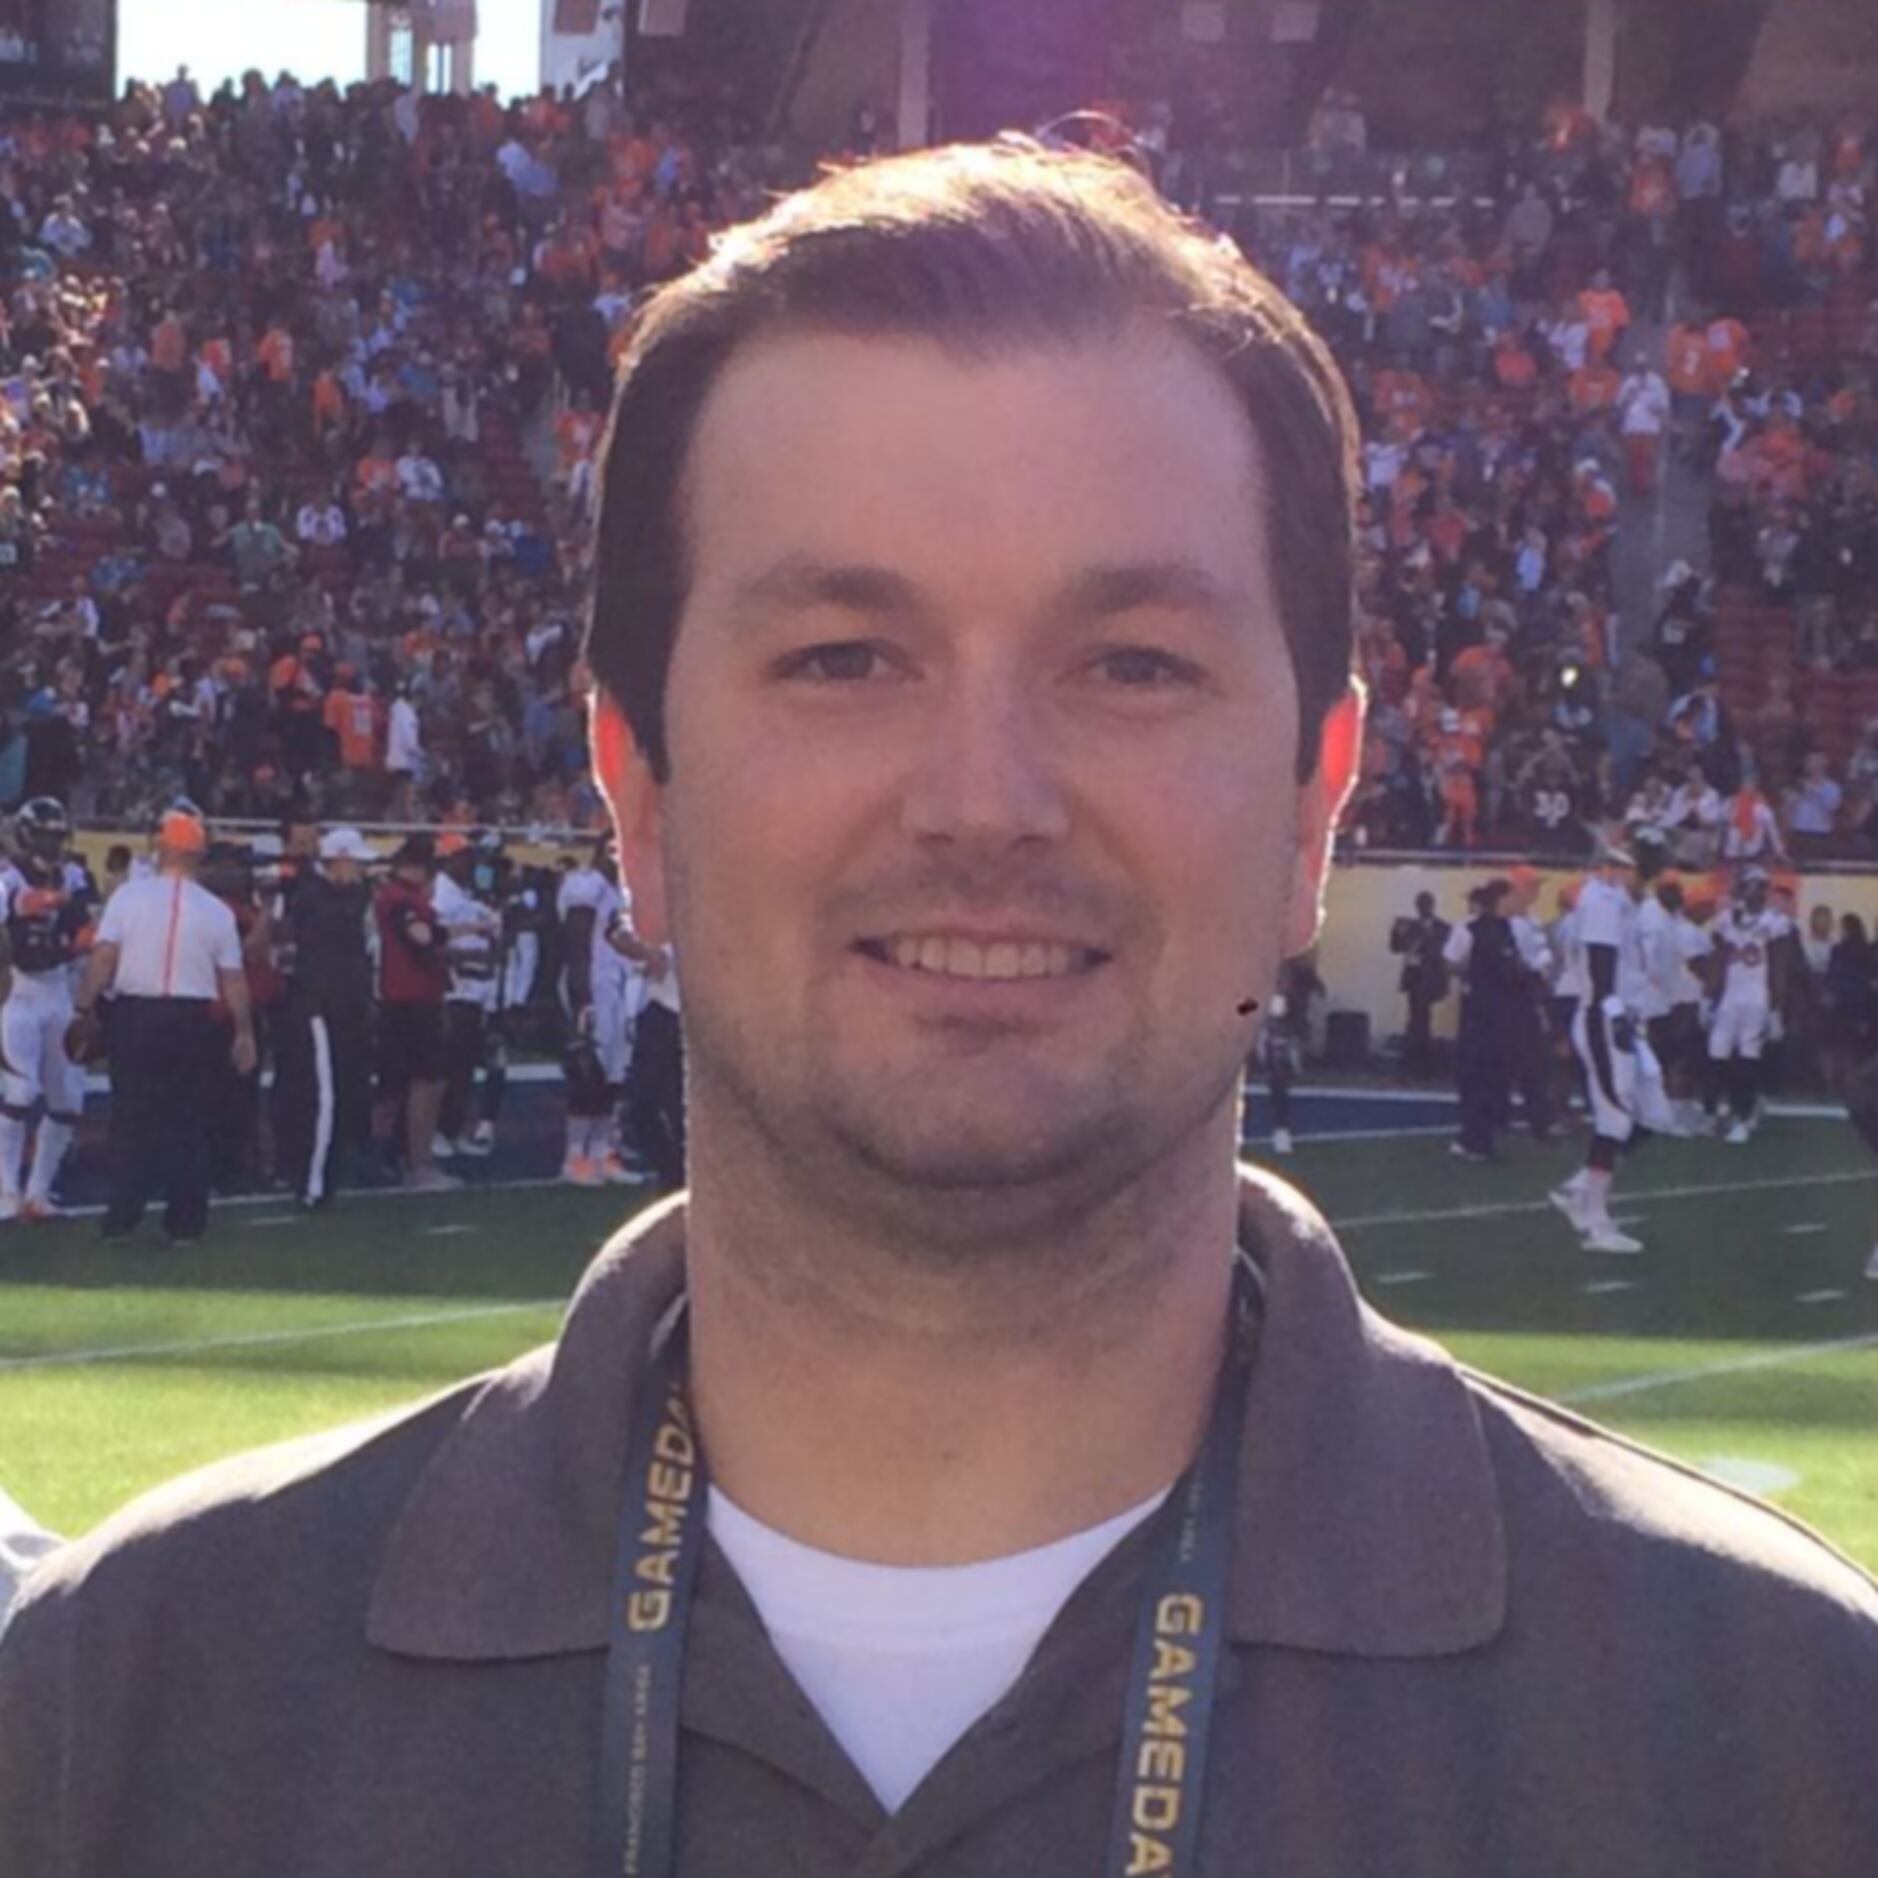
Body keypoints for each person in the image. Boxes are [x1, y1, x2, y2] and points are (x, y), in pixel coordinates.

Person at [3, 143, 1875, 1878]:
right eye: (843, 657)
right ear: (635, 790)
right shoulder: (120, 1707)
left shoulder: (1784, 1738)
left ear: (1317, 799)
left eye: (1130, 662)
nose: (985, 797)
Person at [72, 808, 256, 1246]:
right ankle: (186, 1220)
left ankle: (123, 1213)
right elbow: (233, 977)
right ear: (198, 856)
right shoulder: (214, 911)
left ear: (160, 848)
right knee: (189, 1119)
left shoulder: (129, 899)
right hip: (193, 1019)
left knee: (132, 1116)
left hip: (136, 1014)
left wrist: (83, 1006)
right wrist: (244, 1031)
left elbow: (103, 958)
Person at [1550, 844, 1669, 1254]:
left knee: (1655, 1115)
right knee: (1614, 1119)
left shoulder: (1627, 906)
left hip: (1625, 1019)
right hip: (1606, 1016)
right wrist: (1614, 1013)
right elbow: (1601, 968)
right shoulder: (1603, 901)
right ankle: (1596, 1224)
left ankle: (1581, 1186)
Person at [0, 798, 97, 1222]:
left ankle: (38, 1191)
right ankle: (5, 1191)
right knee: (20, 1094)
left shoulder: (74, 874)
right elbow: (22, 943)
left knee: (68, 1099)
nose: (51, 844)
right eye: (44, 835)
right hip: (16, 992)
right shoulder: (6, 878)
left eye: (57, 836)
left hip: (58, 991)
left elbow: (87, 927)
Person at [273, 827, 376, 1209]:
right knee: (323, 1096)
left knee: (342, 1091)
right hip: (318, 1005)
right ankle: (311, 1181)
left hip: (345, 1006)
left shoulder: (346, 897)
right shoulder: (314, 897)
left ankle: (324, 1174)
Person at [372, 834, 459, 1193]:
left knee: (396, 1084)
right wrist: (445, 937)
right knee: (425, 1081)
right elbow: (421, 936)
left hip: (400, 999)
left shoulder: (393, 897)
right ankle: (417, 1162)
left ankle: (385, 1158)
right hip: (411, 1000)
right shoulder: (402, 900)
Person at [432, 830, 506, 1160]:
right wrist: (472, 956)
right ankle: (435, 1130)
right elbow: (438, 945)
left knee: (466, 1068)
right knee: (449, 1066)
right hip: (454, 992)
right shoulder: (439, 897)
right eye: (462, 857)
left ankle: (452, 1128)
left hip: (477, 992)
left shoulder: (466, 897)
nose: (470, 864)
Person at [1706, 866, 1792, 1144]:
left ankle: (1743, 1115)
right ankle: (1724, 1108)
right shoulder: (1727, 919)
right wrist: (1709, 996)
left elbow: (1779, 967)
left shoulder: (1775, 922)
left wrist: (1776, 1008)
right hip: (1731, 994)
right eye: (1748, 886)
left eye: (1756, 887)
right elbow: (1719, 959)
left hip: (1756, 996)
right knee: (1717, 1052)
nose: (1751, 892)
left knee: (1748, 1054)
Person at [1387, 889, 1449, 1078]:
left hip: (1431, 977)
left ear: (1432, 906)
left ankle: (1423, 1063)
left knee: (1422, 1020)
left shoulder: (1442, 928)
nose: (1423, 909)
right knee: (1417, 1020)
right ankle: (1415, 1063)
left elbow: (1445, 952)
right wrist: (1395, 932)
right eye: (1420, 905)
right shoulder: (1410, 926)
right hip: (1415, 977)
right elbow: (1396, 948)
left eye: (1426, 904)